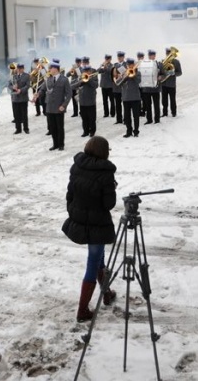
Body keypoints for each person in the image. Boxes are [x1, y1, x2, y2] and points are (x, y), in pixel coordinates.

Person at [62, 136, 117, 322]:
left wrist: (73, 210)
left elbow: (70, 193)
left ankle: (106, 292)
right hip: (96, 224)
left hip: (81, 219)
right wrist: (112, 188)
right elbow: (109, 204)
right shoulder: (106, 173)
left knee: (98, 259)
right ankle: (83, 310)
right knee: (93, 263)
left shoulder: (77, 166)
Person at [35, 60, 73, 151]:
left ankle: (61, 144)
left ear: (56, 69)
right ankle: (55, 144)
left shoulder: (64, 79)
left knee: (60, 127)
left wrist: (64, 105)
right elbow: (43, 89)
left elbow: (69, 94)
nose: (49, 70)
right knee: (53, 127)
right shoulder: (49, 79)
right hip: (49, 107)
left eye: (50, 68)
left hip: (59, 107)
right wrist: (38, 94)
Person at [71, 63, 99, 138]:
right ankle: (85, 131)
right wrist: (81, 81)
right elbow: (73, 86)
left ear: (90, 71)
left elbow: (96, 85)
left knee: (92, 118)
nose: (86, 72)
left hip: (90, 101)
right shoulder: (80, 77)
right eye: (85, 71)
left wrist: (89, 80)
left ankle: (92, 131)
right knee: (84, 118)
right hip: (82, 101)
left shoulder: (93, 77)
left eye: (88, 70)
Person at [116, 57, 142, 138]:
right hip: (126, 98)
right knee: (127, 116)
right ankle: (129, 131)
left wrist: (132, 74)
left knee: (136, 116)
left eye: (131, 64)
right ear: (126, 65)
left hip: (135, 97)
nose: (130, 66)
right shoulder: (123, 73)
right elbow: (117, 83)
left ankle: (136, 131)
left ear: (134, 65)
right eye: (128, 65)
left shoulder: (138, 72)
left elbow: (138, 81)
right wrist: (122, 76)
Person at [139, 49, 163, 124]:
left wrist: (160, 77)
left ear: (154, 56)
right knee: (148, 105)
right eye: (149, 55)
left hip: (155, 88)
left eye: (152, 55)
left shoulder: (159, 64)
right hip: (146, 88)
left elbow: (164, 73)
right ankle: (149, 119)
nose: (151, 56)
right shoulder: (143, 64)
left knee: (156, 105)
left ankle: (157, 119)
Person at [7, 63, 30, 134]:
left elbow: (28, 85)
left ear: (23, 69)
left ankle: (26, 128)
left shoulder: (27, 76)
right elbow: (9, 85)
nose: (19, 70)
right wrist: (12, 88)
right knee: (16, 114)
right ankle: (18, 129)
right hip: (15, 98)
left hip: (23, 97)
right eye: (18, 68)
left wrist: (21, 90)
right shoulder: (13, 76)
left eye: (21, 68)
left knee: (24, 114)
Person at [160, 46, 183, 117]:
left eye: (169, 53)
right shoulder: (162, 62)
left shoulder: (176, 62)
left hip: (172, 84)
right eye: (167, 53)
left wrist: (173, 73)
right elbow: (160, 72)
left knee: (172, 99)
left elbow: (180, 73)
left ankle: (174, 112)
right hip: (163, 84)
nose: (168, 54)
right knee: (164, 100)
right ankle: (164, 113)